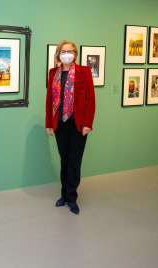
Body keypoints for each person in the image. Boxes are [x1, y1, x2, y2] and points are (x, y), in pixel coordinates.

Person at [45, 40, 96, 215]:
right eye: (63, 51)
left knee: (75, 161)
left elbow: (90, 99)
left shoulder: (84, 71)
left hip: (77, 124)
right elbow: (49, 101)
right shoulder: (53, 73)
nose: (66, 54)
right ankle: (64, 195)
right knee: (64, 160)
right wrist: (48, 124)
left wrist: (87, 124)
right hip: (59, 123)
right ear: (59, 54)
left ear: (75, 54)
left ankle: (72, 197)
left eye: (70, 51)